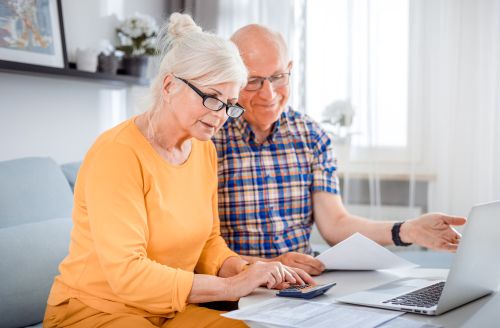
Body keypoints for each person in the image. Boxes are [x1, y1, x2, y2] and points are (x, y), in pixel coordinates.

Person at [43, 14, 313, 328]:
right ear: (170, 85)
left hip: (168, 309)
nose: (222, 116)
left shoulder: (202, 149)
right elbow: (127, 275)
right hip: (95, 310)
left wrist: (249, 270)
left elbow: (210, 243)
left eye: (229, 104)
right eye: (212, 99)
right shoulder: (117, 153)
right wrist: (230, 287)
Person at [212, 24, 467, 276]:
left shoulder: (311, 136)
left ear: (289, 70)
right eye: (253, 81)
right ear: (233, 80)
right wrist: (264, 266)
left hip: (302, 285)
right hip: (238, 286)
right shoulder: (211, 139)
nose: (268, 94)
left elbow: (335, 224)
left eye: (278, 77)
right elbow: (204, 249)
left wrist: (407, 230)